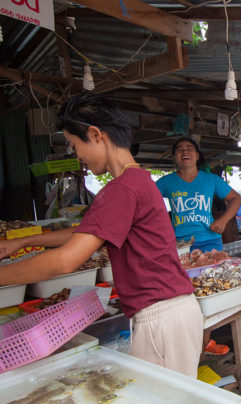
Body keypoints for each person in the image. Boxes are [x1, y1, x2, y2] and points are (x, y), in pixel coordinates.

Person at [0, 93, 203, 377]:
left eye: (75, 145)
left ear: (95, 135)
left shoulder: (121, 189)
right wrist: (24, 240)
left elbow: (65, 262)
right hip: (169, 313)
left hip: (162, 318)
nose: (77, 156)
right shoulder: (138, 181)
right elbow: (83, 233)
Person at [156, 137, 241, 253]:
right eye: (180, 150)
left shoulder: (211, 179)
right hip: (178, 243)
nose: (185, 152)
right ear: (174, 157)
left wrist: (223, 220)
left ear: (197, 155)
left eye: (189, 148)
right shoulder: (165, 182)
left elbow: (236, 198)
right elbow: (144, 201)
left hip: (209, 241)